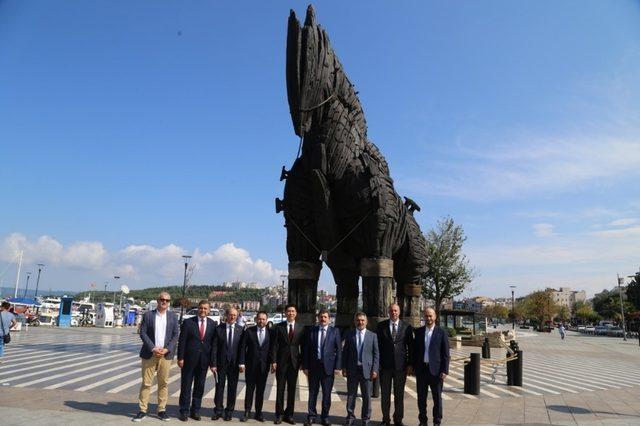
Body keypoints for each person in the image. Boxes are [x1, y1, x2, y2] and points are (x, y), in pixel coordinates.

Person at [133, 292, 180, 422]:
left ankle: (161, 410)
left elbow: (176, 335)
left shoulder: (173, 317)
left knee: (163, 383)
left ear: (169, 302)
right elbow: (142, 332)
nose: (164, 301)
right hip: (150, 353)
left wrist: (167, 349)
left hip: (165, 355)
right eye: (162, 299)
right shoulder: (148, 315)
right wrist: (153, 348)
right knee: (146, 383)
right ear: (157, 300)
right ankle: (142, 410)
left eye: (167, 300)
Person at [177, 300, 217, 421]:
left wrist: (212, 363)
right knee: (186, 386)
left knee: (200, 386)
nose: (203, 310)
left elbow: (213, 345)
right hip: (188, 360)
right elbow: (182, 341)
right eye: (201, 308)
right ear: (198, 309)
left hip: (204, 361)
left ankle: (195, 411)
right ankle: (184, 411)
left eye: (205, 308)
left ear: (209, 310)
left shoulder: (212, 324)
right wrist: (180, 357)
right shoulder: (188, 323)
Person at [375, 304, 413, 426]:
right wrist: (377, 364)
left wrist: (410, 364)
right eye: (391, 310)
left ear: (399, 312)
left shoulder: (407, 327)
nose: (393, 312)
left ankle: (398, 419)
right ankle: (385, 419)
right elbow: (377, 348)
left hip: (400, 367)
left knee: (399, 395)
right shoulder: (381, 326)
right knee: (385, 395)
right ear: (388, 312)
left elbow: (410, 347)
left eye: (396, 310)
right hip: (385, 367)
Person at [302, 309, 342, 426]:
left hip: (328, 368)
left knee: (327, 394)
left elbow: (339, 350)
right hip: (314, 367)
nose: (323, 319)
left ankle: (325, 417)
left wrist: (338, 367)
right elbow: (306, 350)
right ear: (318, 318)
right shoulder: (312, 331)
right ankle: (311, 416)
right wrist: (305, 366)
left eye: (325, 317)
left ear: (329, 319)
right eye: (321, 317)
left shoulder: (335, 331)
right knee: (313, 393)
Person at [412, 308, 449, 426]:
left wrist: (445, 370)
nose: (428, 318)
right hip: (422, 370)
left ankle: (437, 421)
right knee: (421, 399)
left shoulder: (441, 332)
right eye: (426, 316)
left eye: (430, 316)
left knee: (437, 399)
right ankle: (423, 421)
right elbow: (415, 352)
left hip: (437, 371)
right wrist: (413, 367)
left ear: (435, 317)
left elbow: (446, 354)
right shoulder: (418, 332)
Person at [342, 312, 379, 426]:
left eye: (362, 320)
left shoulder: (372, 336)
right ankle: (350, 418)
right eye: (358, 320)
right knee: (351, 395)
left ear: (366, 322)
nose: (360, 322)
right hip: (352, 369)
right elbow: (345, 353)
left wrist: (375, 369)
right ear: (355, 321)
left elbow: (376, 354)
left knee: (367, 396)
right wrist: (343, 367)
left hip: (367, 370)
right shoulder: (349, 334)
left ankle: (366, 419)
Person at [271, 304, 305, 425]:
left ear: (296, 313)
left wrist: (302, 363)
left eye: (293, 311)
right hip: (281, 362)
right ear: (285, 313)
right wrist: (274, 361)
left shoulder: (301, 328)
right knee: (280, 389)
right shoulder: (278, 327)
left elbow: (303, 347)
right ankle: (279, 414)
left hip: (294, 363)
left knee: (292, 390)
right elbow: (274, 345)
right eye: (289, 311)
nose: (291, 313)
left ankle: (289, 414)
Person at [211, 307, 245, 421]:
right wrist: (213, 364)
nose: (232, 317)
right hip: (221, 364)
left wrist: (241, 363)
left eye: (235, 315)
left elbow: (242, 349)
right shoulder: (219, 329)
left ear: (237, 316)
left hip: (234, 364)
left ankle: (229, 411)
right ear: (226, 315)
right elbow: (214, 347)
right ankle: (218, 410)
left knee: (232, 388)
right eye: (230, 315)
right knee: (219, 387)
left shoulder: (241, 329)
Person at [239, 311, 272, 422]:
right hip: (251, 365)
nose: (261, 321)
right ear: (256, 319)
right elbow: (243, 348)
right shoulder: (249, 331)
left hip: (264, 366)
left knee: (261, 390)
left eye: (263, 319)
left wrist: (273, 362)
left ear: (266, 320)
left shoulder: (270, 332)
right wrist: (242, 362)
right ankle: (247, 411)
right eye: (259, 319)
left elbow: (272, 349)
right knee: (249, 389)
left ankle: (259, 412)